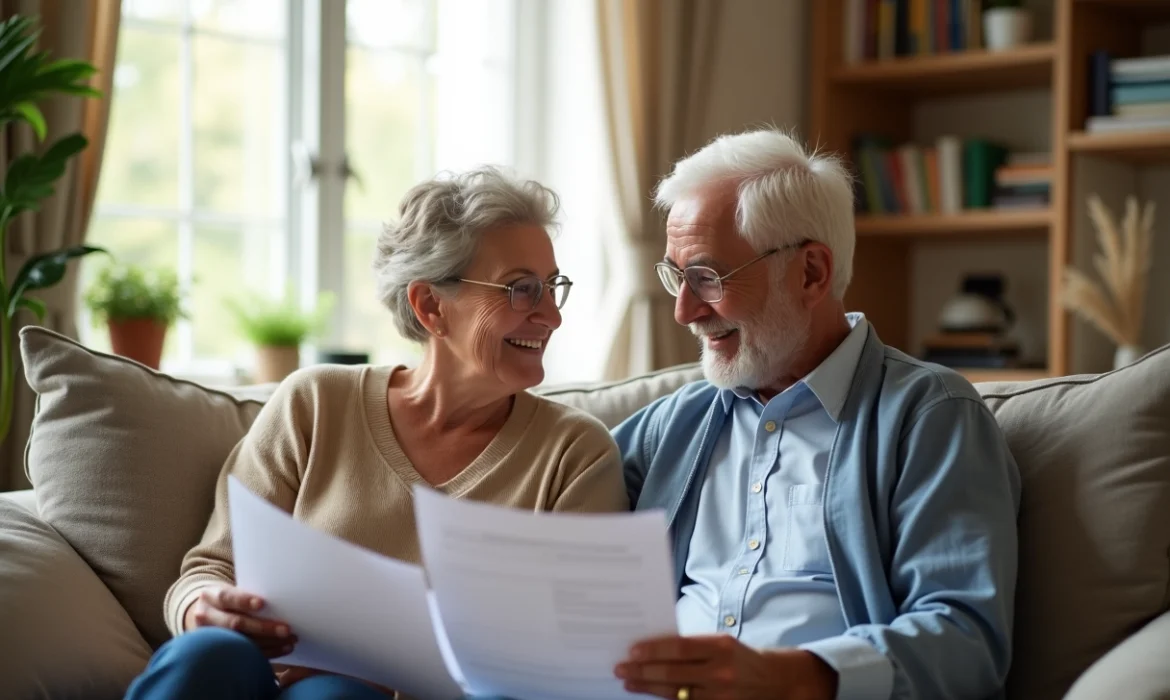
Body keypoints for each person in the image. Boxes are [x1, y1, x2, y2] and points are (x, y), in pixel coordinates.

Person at [125, 166, 629, 700]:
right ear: (431, 306)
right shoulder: (314, 404)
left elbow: (582, 650)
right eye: (522, 290)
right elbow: (211, 566)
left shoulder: (574, 453)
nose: (551, 315)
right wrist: (203, 606)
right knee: (208, 655)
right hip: (262, 680)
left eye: (552, 288)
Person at [610, 129, 1022, 700]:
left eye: (708, 277)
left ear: (811, 273)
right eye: (676, 276)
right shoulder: (675, 423)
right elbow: (556, 514)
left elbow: (966, 639)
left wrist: (787, 677)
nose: (684, 311)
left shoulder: (929, 416)